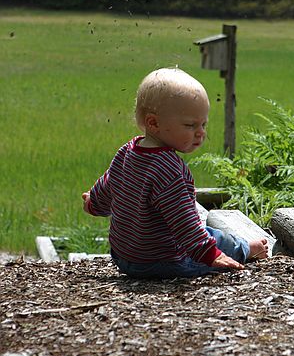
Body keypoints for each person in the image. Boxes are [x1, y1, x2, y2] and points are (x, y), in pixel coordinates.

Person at [82, 67, 268, 279]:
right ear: (154, 123)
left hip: (123, 258)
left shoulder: (128, 151)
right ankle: (247, 249)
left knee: (208, 235)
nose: (201, 133)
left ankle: (236, 246)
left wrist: (93, 203)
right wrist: (210, 255)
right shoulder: (168, 168)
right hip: (162, 262)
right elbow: (184, 221)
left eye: (203, 124)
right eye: (190, 125)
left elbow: (109, 185)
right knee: (215, 238)